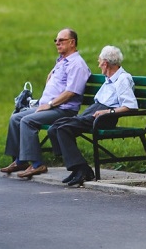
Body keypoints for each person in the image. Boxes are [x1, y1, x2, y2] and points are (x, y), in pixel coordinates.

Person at [1, 28, 91, 179]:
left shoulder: (77, 64)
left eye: (61, 40)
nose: (57, 43)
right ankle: (21, 160)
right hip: (50, 106)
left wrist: (49, 104)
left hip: (63, 110)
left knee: (27, 121)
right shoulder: (62, 61)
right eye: (55, 40)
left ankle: (37, 164)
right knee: (15, 117)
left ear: (72, 42)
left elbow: (71, 92)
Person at [48, 45, 138, 186]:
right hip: (95, 112)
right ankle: (78, 168)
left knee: (64, 129)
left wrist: (108, 112)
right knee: (55, 127)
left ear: (105, 63)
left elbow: (130, 106)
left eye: (99, 61)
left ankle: (81, 169)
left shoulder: (122, 79)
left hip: (104, 117)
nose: (98, 64)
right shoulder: (109, 78)